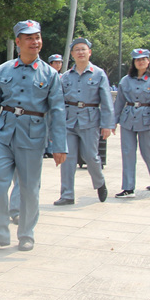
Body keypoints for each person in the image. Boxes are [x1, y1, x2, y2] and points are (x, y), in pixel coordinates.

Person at [0, 20, 66, 252]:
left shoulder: (50, 74)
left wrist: (59, 145)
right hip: (4, 134)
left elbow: (57, 111)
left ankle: (26, 233)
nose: (34, 42)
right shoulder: (4, 69)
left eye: (37, 37)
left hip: (33, 136)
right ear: (18, 42)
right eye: (29, 38)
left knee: (28, 187)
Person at [56, 37, 113, 205]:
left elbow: (107, 100)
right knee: (68, 157)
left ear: (90, 52)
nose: (81, 52)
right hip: (69, 119)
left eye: (83, 49)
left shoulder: (99, 74)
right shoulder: (65, 77)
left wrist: (107, 124)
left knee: (91, 156)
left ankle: (99, 182)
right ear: (72, 54)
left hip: (90, 119)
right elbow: (58, 102)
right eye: (77, 50)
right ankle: (67, 194)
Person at [113, 49, 150, 198]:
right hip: (128, 118)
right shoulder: (125, 80)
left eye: (143, 59)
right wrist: (114, 122)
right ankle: (128, 187)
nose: (140, 62)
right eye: (137, 60)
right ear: (133, 63)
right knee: (128, 153)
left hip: (146, 118)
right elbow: (119, 102)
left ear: (148, 61)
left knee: (148, 152)